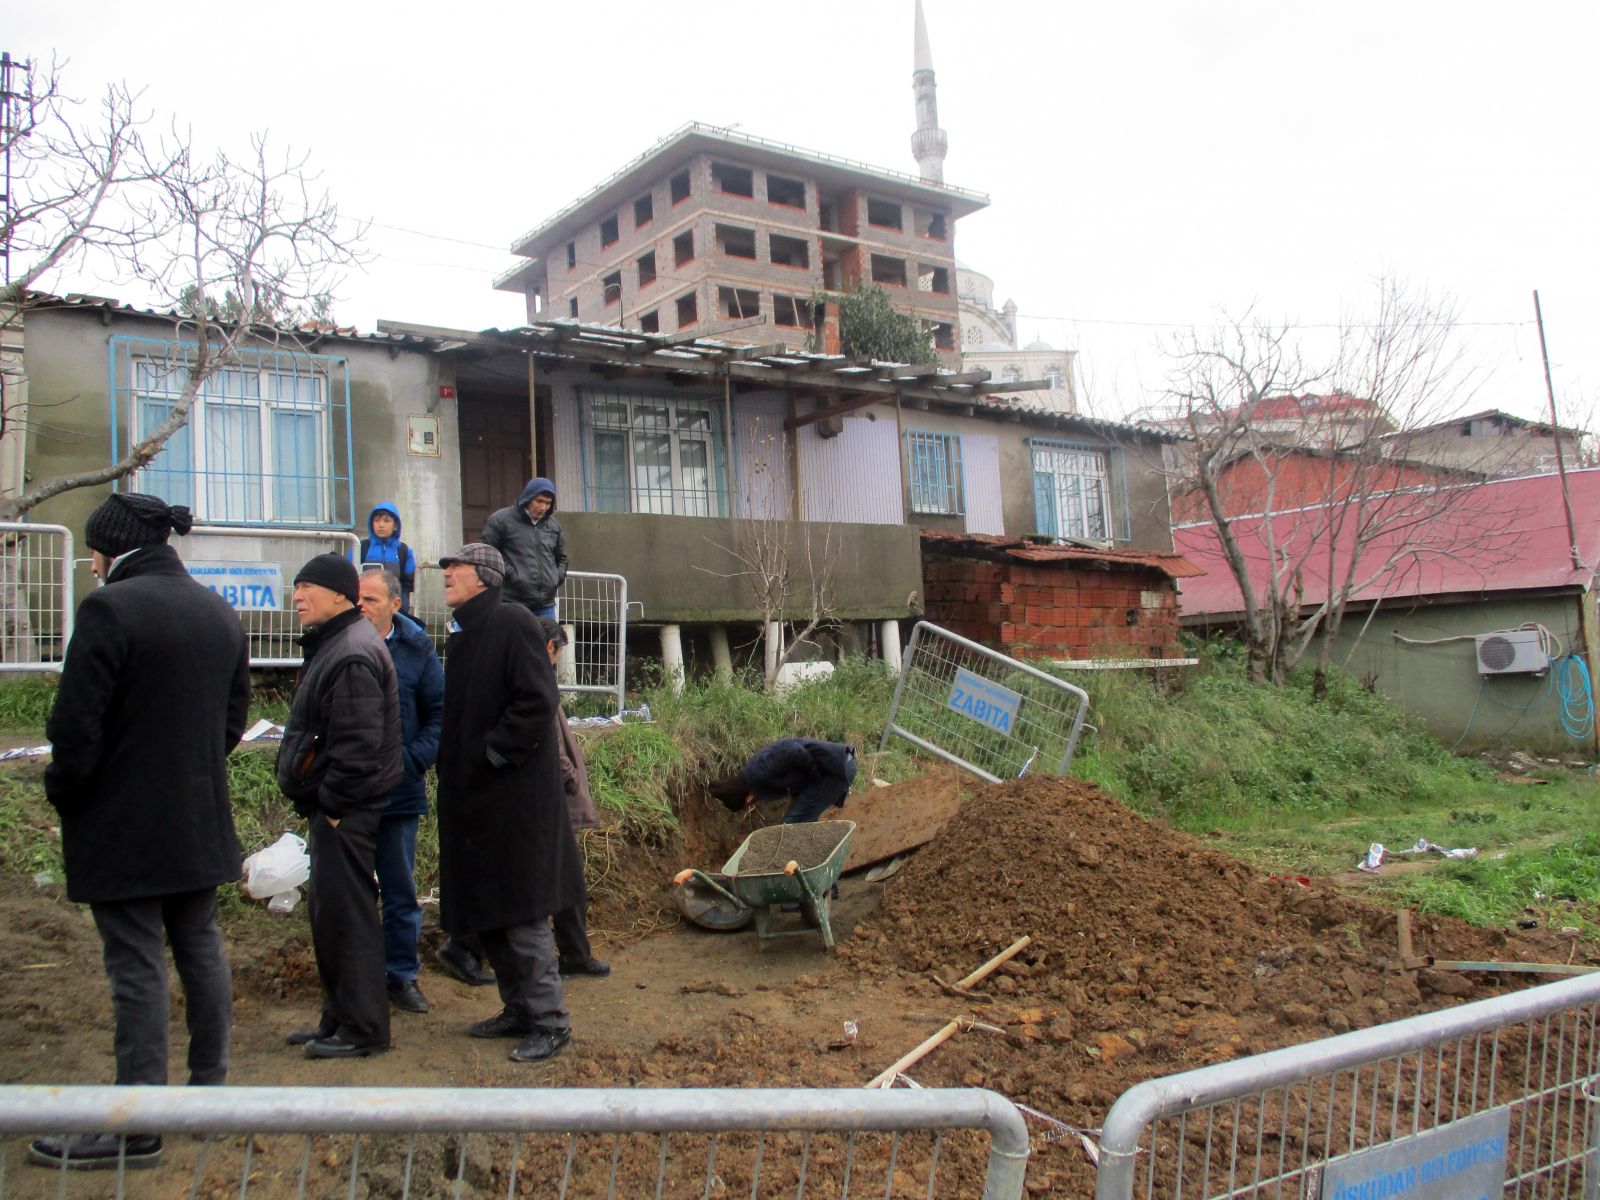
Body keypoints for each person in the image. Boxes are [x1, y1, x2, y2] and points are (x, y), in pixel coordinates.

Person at [28, 494, 250, 1172]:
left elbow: (75, 727)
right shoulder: (217, 610)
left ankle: (138, 1122)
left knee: (136, 963)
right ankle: (208, 1093)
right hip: (198, 816)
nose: (91, 564)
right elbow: (232, 721)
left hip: (123, 822)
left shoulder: (109, 609)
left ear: (108, 550)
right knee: (199, 946)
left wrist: (69, 791)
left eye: (92, 552)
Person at [435, 542, 583, 1062]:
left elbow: (537, 700)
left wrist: (493, 754)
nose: (446, 573)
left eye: (454, 567)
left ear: (484, 577)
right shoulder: (464, 637)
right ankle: (518, 1008)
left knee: (520, 911)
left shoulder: (514, 623)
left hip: (513, 803)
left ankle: (549, 1020)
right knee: (488, 910)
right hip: (475, 802)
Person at [276, 552, 403, 1060]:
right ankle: (339, 1017)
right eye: (296, 587)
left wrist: (331, 806)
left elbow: (356, 747)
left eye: (308, 587)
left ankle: (363, 1029)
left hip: (346, 812)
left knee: (347, 918)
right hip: (338, 809)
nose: (298, 596)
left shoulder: (350, 652)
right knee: (331, 916)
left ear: (340, 596)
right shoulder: (338, 643)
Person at [357, 569, 444, 1015]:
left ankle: (402, 976)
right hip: (348, 795)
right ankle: (354, 978)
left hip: (399, 791)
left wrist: (411, 761)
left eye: (371, 599)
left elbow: (439, 713)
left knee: (398, 889)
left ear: (395, 603)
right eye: (358, 599)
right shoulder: (339, 643)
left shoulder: (416, 650)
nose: (362, 606)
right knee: (349, 892)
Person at [538, 616, 608, 978]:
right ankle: (574, 956)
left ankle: (574, 954)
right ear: (551, 647)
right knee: (566, 883)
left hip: (544, 798)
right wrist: (569, 778)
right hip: (553, 799)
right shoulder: (538, 680)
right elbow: (550, 739)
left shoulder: (523, 673)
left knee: (559, 882)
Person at [707, 738, 858, 823]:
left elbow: (794, 751)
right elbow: (793, 777)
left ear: (747, 798)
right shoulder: (755, 778)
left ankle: (801, 876)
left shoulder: (760, 770)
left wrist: (816, 778)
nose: (751, 805)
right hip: (838, 765)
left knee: (793, 824)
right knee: (801, 821)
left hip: (836, 767)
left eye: (746, 805)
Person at [482, 477, 567, 618]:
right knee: (512, 640)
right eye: (539, 501)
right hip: (511, 602)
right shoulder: (501, 520)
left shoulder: (553, 526)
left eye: (548, 503)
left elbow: (562, 557)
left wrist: (555, 578)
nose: (543, 507)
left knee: (546, 641)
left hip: (546, 605)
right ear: (527, 498)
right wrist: (513, 576)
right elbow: (487, 553)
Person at [359, 502, 418, 615]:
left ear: (395, 525)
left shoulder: (404, 551)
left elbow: (409, 584)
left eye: (386, 521)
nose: (381, 525)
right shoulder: (360, 548)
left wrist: (403, 606)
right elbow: (351, 578)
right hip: (365, 610)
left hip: (395, 611)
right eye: (376, 520)